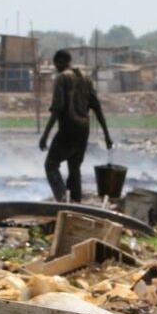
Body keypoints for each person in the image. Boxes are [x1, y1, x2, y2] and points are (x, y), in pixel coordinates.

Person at [39, 49, 113, 203]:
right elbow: (97, 108)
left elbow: (57, 110)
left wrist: (45, 135)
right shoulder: (86, 78)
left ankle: (62, 200)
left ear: (60, 62)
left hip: (68, 129)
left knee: (51, 165)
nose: (56, 67)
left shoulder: (62, 78)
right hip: (83, 131)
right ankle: (76, 204)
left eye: (56, 64)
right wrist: (107, 135)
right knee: (74, 169)